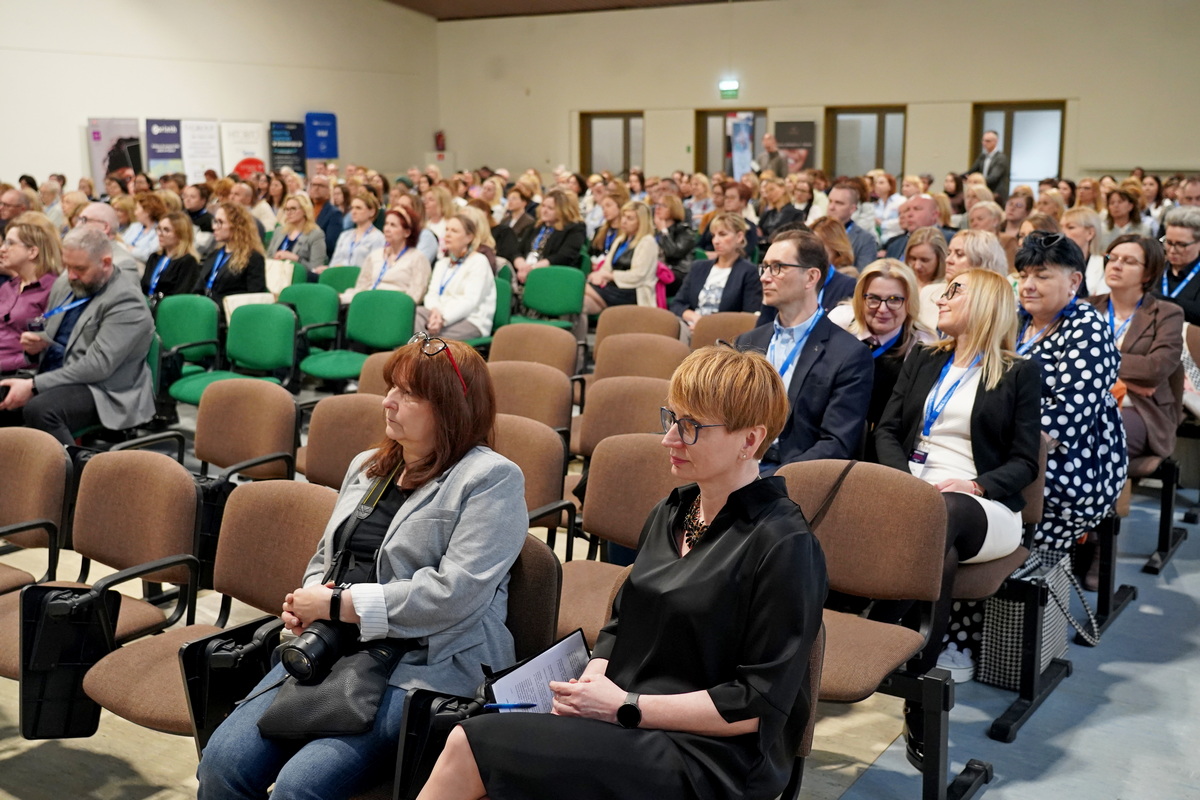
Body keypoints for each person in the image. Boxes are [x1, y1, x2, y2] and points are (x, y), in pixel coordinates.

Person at [421, 344, 827, 800]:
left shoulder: (785, 545)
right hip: (629, 717)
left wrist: (624, 707)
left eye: (690, 427)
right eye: (671, 419)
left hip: (710, 754)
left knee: (471, 741)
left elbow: (755, 705)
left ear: (749, 441)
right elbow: (622, 620)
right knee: (477, 736)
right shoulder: (673, 510)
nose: (669, 439)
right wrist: (594, 677)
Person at [196, 337, 528, 800]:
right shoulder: (369, 467)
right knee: (221, 764)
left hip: (424, 661)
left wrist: (336, 604)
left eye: (408, 394)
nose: (388, 401)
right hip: (338, 644)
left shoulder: (490, 479)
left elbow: (454, 594)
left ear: (452, 408)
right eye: (391, 387)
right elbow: (326, 556)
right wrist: (307, 604)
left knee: (299, 788)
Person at [875, 267, 1039, 732]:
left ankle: (876, 629)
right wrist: (904, 482)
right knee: (937, 544)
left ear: (985, 302)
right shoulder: (925, 357)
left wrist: (976, 485)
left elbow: (1026, 462)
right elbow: (887, 430)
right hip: (913, 491)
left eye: (954, 291)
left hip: (982, 504)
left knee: (945, 512)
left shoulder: (1020, 372)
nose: (940, 299)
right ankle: (920, 690)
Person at [1015, 232, 1127, 552]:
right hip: (1012, 449)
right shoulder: (1018, 319)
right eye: (1023, 275)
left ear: (1074, 281)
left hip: (1068, 466)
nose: (1028, 285)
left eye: (1042, 276)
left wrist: (1001, 462)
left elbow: (1065, 419)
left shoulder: (1086, 327)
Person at [0, 227, 155, 443]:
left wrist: (34, 385)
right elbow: (56, 335)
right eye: (68, 266)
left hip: (105, 389)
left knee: (41, 409)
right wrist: (39, 345)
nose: (71, 275)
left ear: (106, 263)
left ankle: (70, 464)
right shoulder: (67, 283)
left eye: (80, 269)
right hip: (58, 372)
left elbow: (97, 366)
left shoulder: (127, 302)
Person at [735, 229, 873, 471]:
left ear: (811, 277)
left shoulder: (849, 355)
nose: (765, 277)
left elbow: (836, 444)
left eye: (777, 267)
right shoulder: (747, 342)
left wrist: (776, 477)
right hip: (739, 461)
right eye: (764, 267)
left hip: (794, 471)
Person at [1090, 235, 1182, 467]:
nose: (1116, 265)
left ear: (1148, 273)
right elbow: (1064, 360)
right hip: (1085, 403)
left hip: (1139, 408)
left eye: (1129, 261)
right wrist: (1129, 380)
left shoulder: (1166, 314)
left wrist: (1096, 361)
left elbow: (1155, 368)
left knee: (1094, 441)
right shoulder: (1086, 308)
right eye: (1112, 258)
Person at [829, 259, 933, 455]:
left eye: (894, 299)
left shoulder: (922, 343)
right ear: (861, 299)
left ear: (909, 302)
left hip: (884, 443)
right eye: (873, 298)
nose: (883, 309)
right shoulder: (840, 322)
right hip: (832, 433)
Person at [670, 212, 761, 334]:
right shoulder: (698, 267)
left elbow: (747, 317)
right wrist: (695, 318)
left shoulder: (749, 272)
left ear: (739, 237)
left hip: (724, 334)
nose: (716, 241)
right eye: (713, 235)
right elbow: (677, 304)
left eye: (722, 234)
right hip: (691, 328)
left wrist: (707, 326)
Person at [416, 214, 496, 341]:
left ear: (469, 237)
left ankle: (420, 351)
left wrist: (443, 318)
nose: (447, 234)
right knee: (415, 315)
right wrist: (435, 311)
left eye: (454, 231)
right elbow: (432, 293)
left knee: (431, 339)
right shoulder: (442, 263)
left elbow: (470, 301)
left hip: (470, 319)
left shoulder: (479, 261)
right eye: (447, 229)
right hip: (437, 315)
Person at [0, 214, 60, 373]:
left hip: (21, 374)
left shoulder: (54, 290)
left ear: (32, 251)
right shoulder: (8, 287)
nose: (2, 249)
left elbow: (48, 350)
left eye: (10, 243)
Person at [585, 201, 661, 313]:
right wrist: (600, 276)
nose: (624, 221)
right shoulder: (620, 239)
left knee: (580, 288)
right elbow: (607, 267)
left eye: (630, 218)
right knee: (582, 303)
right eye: (623, 216)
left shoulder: (647, 242)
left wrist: (609, 276)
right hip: (612, 287)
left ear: (641, 222)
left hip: (633, 291)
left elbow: (638, 276)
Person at [192, 202, 267, 313]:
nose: (214, 227)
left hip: (229, 314)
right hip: (205, 311)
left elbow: (254, 299)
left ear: (236, 225)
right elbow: (198, 288)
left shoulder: (253, 258)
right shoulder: (214, 254)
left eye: (220, 222)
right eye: (214, 221)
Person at [513, 188, 586, 282]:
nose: (544, 211)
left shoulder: (574, 228)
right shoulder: (535, 226)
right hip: (525, 270)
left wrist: (532, 269)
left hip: (553, 275)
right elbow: (517, 251)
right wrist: (521, 266)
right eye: (543, 206)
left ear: (561, 211)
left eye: (550, 208)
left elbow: (564, 256)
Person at [1154, 206, 1200, 325]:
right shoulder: (1155, 269)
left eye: (1181, 245)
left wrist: (1158, 300)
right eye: (1168, 242)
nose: (1172, 250)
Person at [76, 202, 141, 282]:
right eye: (79, 219)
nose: (78, 225)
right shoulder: (80, 254)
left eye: (84, 220)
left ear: (105, 227)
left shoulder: (123, 263)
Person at [143, 211, 201, 300]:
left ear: (180, 234)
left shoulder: (188, 262)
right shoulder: (154, 257)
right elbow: (143, 287)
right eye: (159, 229)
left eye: (166, 230)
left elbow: (181, 295)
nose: (160, 234)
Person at [268, 194, 328, 275]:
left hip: (299, 277)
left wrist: (296, 259)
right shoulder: (279, 231)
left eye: (293, 209)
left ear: (305, 211)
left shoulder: (316, 234)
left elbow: (316, 269)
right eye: (286, 209)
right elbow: (269, 257)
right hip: (275, 274)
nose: (288, 213)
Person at [905, 227, 949, 332]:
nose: (917, 266)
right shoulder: (901, 282)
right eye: (913, 258)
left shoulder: (948, 289)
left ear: (940, 259)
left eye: (924, 260)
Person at [826, 181, 877, 268]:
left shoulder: (865, 240)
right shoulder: (815, 232)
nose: (831, 207)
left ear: (852, 209)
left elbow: (863, 273)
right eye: (830, 201)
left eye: (839, 203)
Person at [330, 192, 386, 269]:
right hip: (339, 274)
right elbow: (334, 262)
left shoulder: (378, 238)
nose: (353, 212)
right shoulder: (345, 235)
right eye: (352, 208)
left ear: (372, 212)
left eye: (358, 208)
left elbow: (376, 267)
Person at [654, 194, 698, 286]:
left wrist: (663, 231)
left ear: (674, 209)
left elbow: (673, 254)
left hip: (677, 272)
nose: (658, 208)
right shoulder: (653, 230)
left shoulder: (685, 231)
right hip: (656, 269)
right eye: (657, 204)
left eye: (663, 206)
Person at [1062, 207, 1107, 295]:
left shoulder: (1104, 264)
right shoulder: (1055, 263)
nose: (1062, 233)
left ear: (1090, 233)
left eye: (1070, 227)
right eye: (1061, 227)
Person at [967, 200, 1018, 269]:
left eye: (980, 219)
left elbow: (1011, 269)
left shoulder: (1007, 241)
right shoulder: (966, 243)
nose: (974, 223)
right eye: (971, 220)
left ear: (995, 221)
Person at [756, 176, 802, 242]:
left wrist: (764, 238)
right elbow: (757, 234)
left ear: (783, 189)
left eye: (772, 189)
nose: (769, 194)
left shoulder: (796, 214)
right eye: (767, 192)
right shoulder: (767, 214)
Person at [968, 130, 1010, 201]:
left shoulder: (1001, 158)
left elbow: (994, 177)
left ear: (995, 142)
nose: (984, 143)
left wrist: (978, 182)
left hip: (996, 194)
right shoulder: (982, 157)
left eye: (987, 141)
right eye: (983, 140)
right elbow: (972, 171)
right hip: (984, 191)